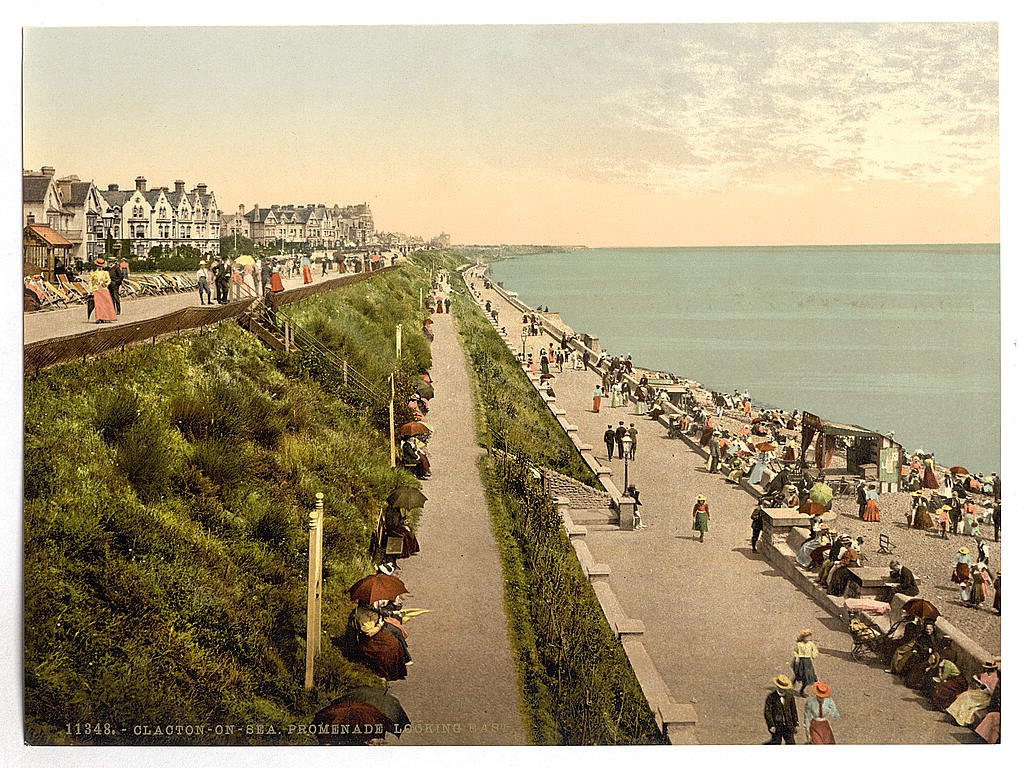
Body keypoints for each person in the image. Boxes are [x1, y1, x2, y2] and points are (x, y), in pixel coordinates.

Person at [946, 661, 999, 727]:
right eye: (986, 668)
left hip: (986, 697)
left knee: (968, 699)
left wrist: (985, 687)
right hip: (980, 692)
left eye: (989, 669)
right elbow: (975, 676)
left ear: (993, 669)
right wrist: (978, 681)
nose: (987, 670)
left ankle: (961, 720)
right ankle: (956, 715)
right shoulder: (986, 675)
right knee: (965, 695)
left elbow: (992, 693)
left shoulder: (995, 678)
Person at [763, 675, 800, 744]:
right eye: (781, 688)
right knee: (776, 742)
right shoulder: (771, 697)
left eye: (784, 688)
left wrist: (796, 723)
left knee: (791, 743)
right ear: (777, 687)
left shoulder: (790, 697)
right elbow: (768, 712)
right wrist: (771, 725)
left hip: (788, 725)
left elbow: (793, 710)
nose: (783, 690)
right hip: (777, 726)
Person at [86, 258, 117, 322]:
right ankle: (99, 317)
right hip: (96, 289)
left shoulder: (106, 273)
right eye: (98, 266)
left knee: (106, 303)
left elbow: (109, 280)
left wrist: (106, 284)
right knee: (98, 304)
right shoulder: (93, 273)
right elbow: (90, 281)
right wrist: (91, 289)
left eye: (101, 266)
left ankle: (106, 317)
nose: (100, 267)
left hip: (104, 289)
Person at [792, 630, 819, 696]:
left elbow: (815, 650)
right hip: (800, 661)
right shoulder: (799, 644)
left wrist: (813, 655)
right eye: (806, 637)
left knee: (807, 677)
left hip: (808, 662)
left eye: (809, 637)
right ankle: (793, 681)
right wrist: (797, 657)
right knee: (799, 674)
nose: (808, 638)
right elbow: (795, 651)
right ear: (803, 637)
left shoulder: (811, 644)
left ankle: (801, 690)